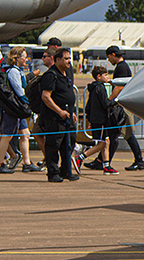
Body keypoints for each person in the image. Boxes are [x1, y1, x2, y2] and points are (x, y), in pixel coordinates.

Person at [1, 47, 43, 174]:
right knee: (6, 136)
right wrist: (28, 101)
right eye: (24, 56)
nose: (26, 59)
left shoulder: (17, 71)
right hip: (14, 108)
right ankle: (1, 162)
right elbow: (19, 91)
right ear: (17, 58)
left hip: (17, 108)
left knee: (25, 133)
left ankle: (27, 162)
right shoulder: (13, 71)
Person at [39, 47, 79, 182]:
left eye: (69, 59)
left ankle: (66, 171)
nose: (69, 61)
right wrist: (60, 111)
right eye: (66, 58)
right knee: (53, 145)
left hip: (67, 117)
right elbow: (46, 97)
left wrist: (71, 112)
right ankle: (53, 172)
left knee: (69, 144)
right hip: (55, 118)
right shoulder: (51, 75)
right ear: (57, 60)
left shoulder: (65, 74)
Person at [106, 46, 144, 171]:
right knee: (115, 134)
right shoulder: (123, 67)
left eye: (109, 57)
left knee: (127, 134)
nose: (109, 60)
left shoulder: (121, 67)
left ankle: (139, 160)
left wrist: (109, 101)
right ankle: (103, 160)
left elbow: (119, 87)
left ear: (113, 54)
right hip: (122, 105)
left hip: (122, 106)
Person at [74, 66, 119, 174]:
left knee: (105, 141)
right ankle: (80, 157)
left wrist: (90, 119)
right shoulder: (100, 88)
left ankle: (107, 166)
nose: (108, 77)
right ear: (99, 77)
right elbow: (105, 104)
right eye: (106, 75)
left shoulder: (93, 88)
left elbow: (88, 106)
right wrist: (116, 101)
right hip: (101, 120)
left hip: (96, 119)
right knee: (102, 144)